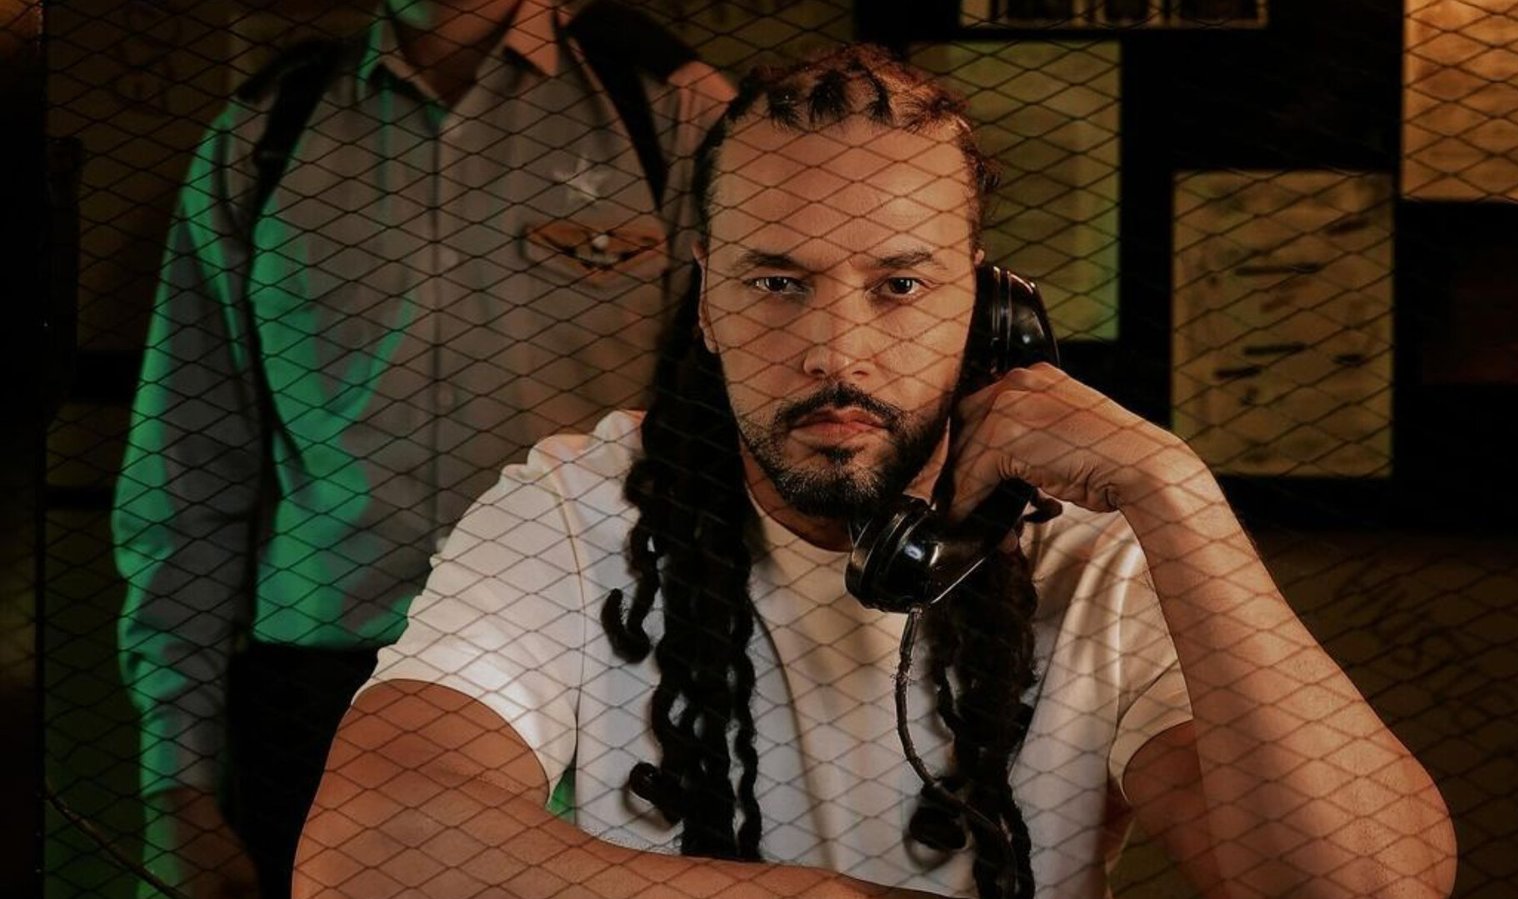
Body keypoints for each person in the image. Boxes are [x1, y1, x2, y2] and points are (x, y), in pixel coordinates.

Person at [295, 46, 1456, 899]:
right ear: (705, 303)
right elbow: (369, 857)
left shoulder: (1093, 547)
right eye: (775, 281)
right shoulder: (573, 505)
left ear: (986, 305)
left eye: (899, 284)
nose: (834, 349)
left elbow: (1368, 887)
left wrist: (1178, 497)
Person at [111, 1, 731, 896]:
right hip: (315, 685)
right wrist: (176, 788)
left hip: (586, 675)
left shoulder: (665, 111)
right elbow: (186, 463)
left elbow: (730, 424)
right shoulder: (268, 129)